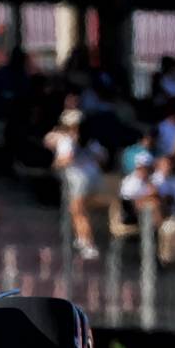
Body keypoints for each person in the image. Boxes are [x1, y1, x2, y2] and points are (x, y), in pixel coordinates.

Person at [45, 108, 105, 261]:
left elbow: (67, 159)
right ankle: (82, 238)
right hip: (94, 176)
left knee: (78, 212)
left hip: (79, 178)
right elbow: (102, 157)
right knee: (82, 210)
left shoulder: (67, 141)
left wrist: (55, 164)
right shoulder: (91, 141)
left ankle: (87, 244)